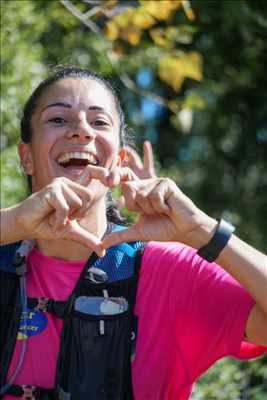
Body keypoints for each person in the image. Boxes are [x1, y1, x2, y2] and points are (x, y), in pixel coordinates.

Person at [0, 66, 266, 400]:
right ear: (26, 157)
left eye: (99, 122)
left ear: (120, 160)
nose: (81, 131)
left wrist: (199, 229)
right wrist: (9, 224)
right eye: (58, 120)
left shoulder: (165, 269)